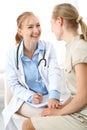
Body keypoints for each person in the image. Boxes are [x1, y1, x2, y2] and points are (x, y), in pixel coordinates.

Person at [22, 3, 87, 130]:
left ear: (59, 21)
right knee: (44, 115)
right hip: (80, 111)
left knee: (28, 125)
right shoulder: (72, 47)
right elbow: (76, 93)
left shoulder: (79, 48)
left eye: (51, 23)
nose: (51, 29)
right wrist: (62, 106)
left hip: (83, 117)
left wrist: (58, 112)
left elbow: (84, 96)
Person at [2, 11, 63, 129]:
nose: (36, 30)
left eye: (38, 25)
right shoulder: (11, 54)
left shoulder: (48, 47)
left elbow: (54, 73)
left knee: (62, 116)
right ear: (20, 31)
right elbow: (13, 84)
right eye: (30, 27)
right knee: (48, 119)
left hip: (49, 98)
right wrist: (30, 96)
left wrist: (54, 96)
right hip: (24, 100)